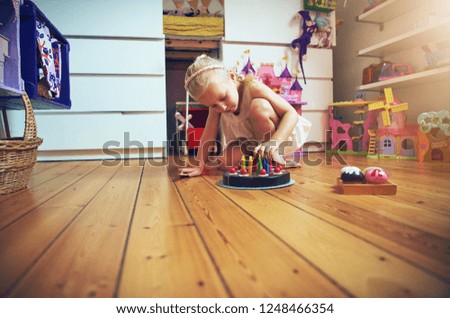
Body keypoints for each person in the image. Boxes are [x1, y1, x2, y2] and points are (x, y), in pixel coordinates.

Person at [179, 54, 311, 177]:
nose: (222, 107)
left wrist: (274, 141)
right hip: (248, 142)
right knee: (225, 163)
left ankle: (274, 158)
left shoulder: (253, 88)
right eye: (213, 105)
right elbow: (209, 133)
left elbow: (291, 114)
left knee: (259, 106)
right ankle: (263, 161)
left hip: (276, 137)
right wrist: (200, 165)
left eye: (224, 97)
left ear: (231, 76)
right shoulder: (217, 104)